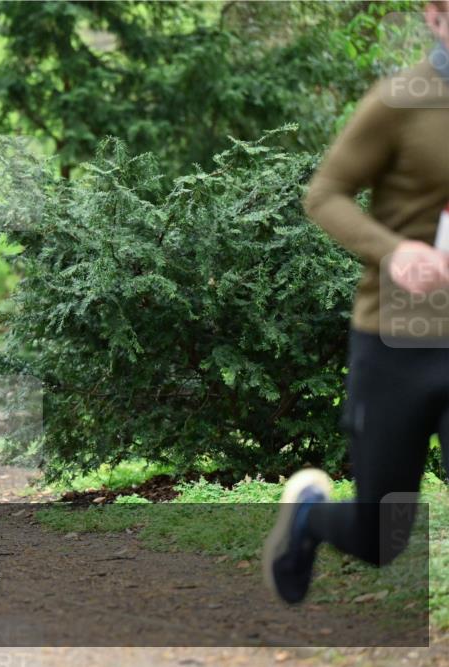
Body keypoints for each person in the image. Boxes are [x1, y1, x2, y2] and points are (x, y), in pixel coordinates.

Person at [263, 2, 449, 605]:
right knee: (381, 536)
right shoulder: (400, 101)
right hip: (398, 338)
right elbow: (325, 194)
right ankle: (310, 516)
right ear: (436, 17)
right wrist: (394, 251)